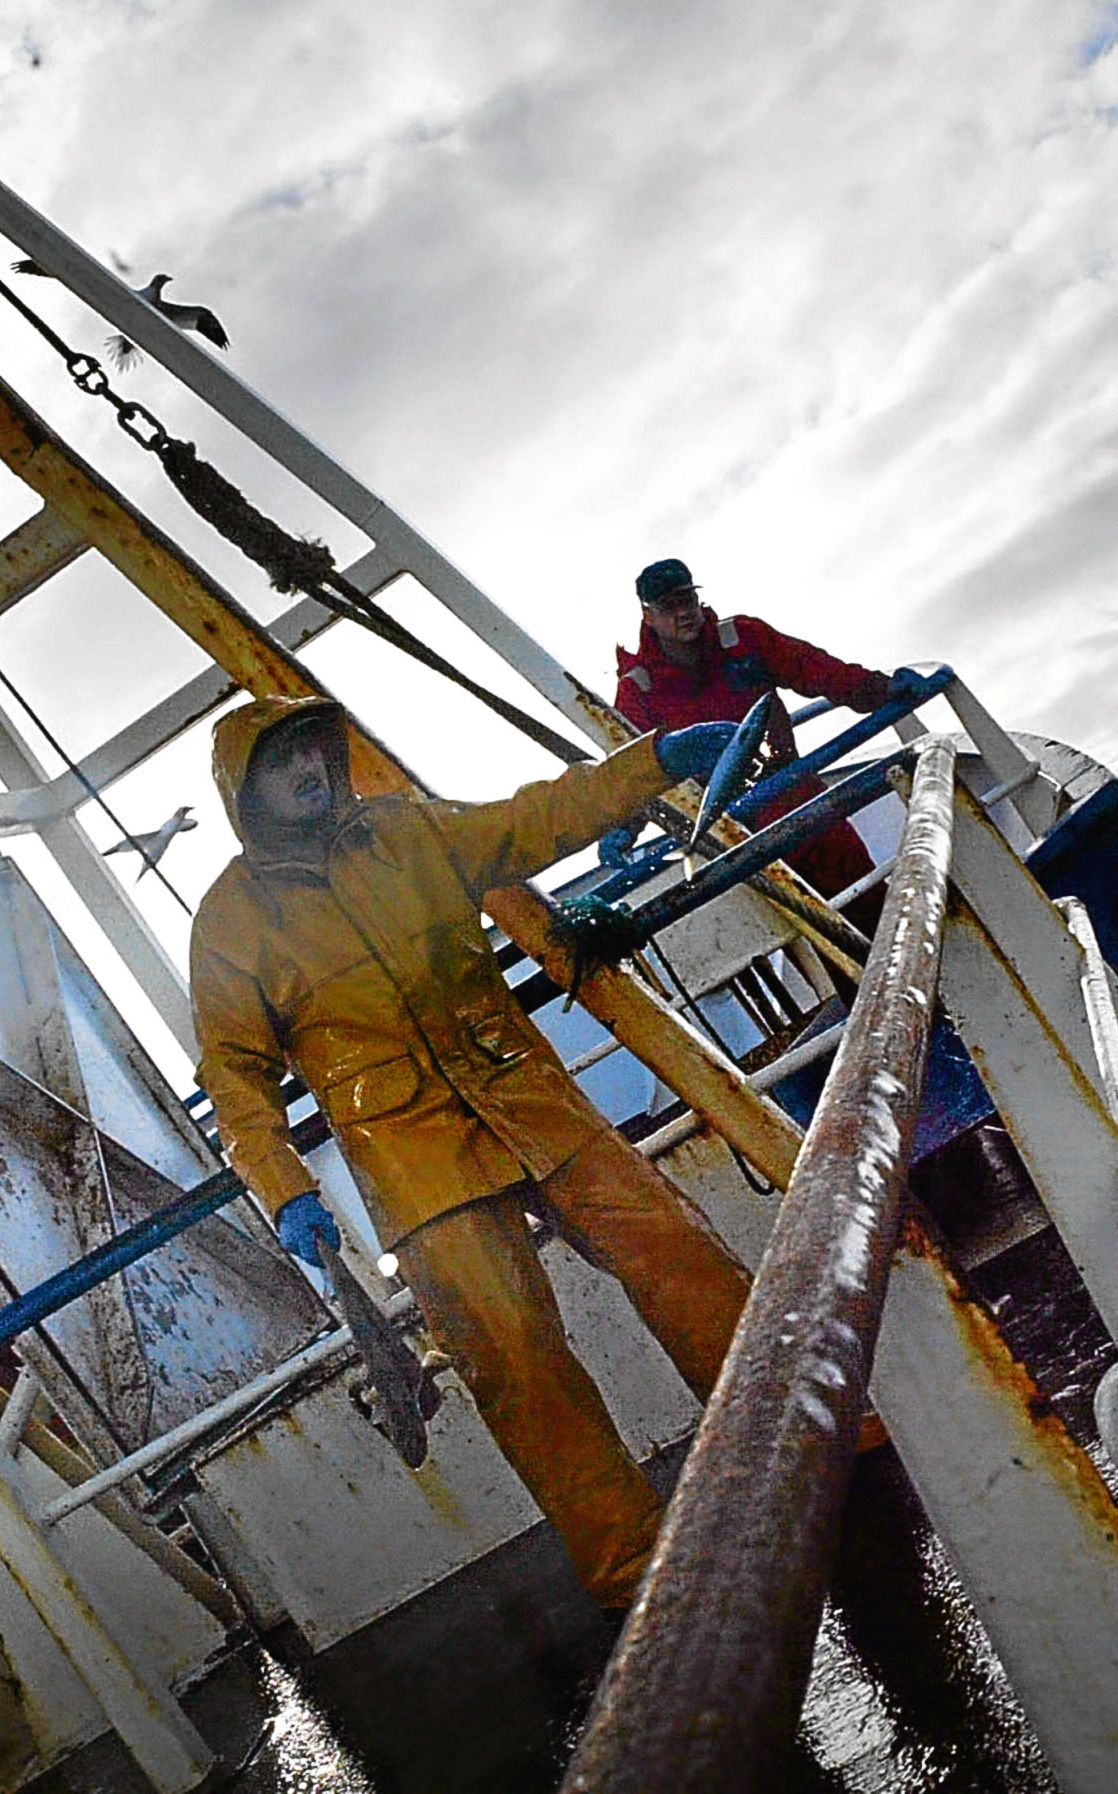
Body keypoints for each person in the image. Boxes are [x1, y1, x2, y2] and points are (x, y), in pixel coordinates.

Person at [190, 694, 758, 1611]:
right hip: (413, 1162)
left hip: (528, 1100)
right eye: (280, 764)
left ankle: (800, 1438)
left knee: (679, 1253)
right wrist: (285, 1186)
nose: (306, 772)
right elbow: (234, 1076)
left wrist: (655, 761)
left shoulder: (409, 832)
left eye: (312, 752)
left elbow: (536, 817)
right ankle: (638, 1576)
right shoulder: (229, 923)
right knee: (518, 1365)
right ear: (244, 792)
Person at [614, 557, 908, 902]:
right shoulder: (637, 691)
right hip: (724, 834)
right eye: (668, 605)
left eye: (687, 599)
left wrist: (879, 688)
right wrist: (623, 826)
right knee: (803, 925)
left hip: (794, 794)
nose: (683, 612)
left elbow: (813, 668)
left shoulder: (744, 637)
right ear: (648, 616)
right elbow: (634, 773)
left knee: (862, 888)